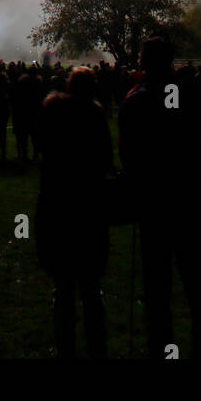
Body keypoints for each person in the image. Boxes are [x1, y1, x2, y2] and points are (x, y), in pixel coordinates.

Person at [120, 35, 201, 360]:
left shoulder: (137, 100)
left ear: (143, 61)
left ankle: (163, 350)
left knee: (157, 289)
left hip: (155, 204)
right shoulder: (186, 94)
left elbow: (130, 157)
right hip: (189, 197)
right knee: (198, 286)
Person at [36, 67, 113, 358]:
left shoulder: (53, 110)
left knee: (63, 286)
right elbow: (105, 157)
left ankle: (64, 347)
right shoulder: (95, 114)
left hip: (57, 204)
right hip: (89, 206)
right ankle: (97, 347)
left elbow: (41, 144)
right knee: (92, 287)